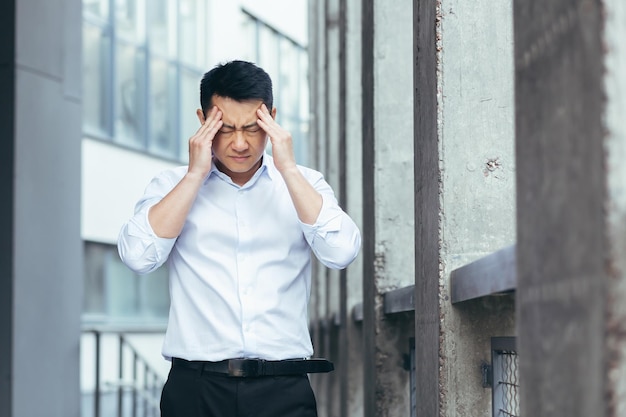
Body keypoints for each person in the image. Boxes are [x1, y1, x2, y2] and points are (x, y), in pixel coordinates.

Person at [117, 60, 361, 417]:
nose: (240, 143)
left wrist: (288, 169)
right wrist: (194, 176)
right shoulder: (171, 185)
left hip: (283, 390)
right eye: (226, 129)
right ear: (203, 121)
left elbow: (341, 252)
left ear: (272, 119)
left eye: (251, 127)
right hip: (196, 390)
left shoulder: (303, 184)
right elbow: (138, 257)